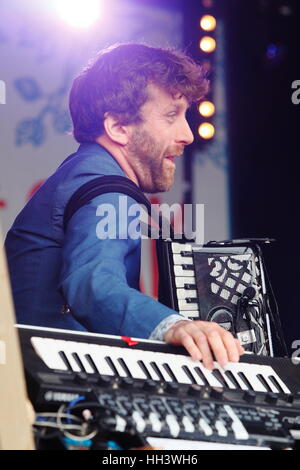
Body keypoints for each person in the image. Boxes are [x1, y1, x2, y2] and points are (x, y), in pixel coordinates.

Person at [5, 43, 244, 370]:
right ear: (118, 127)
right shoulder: (108, 190)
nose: (187, 134)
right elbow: (92, 284)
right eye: (171, 115)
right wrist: (173, 326)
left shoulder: (81, 173)